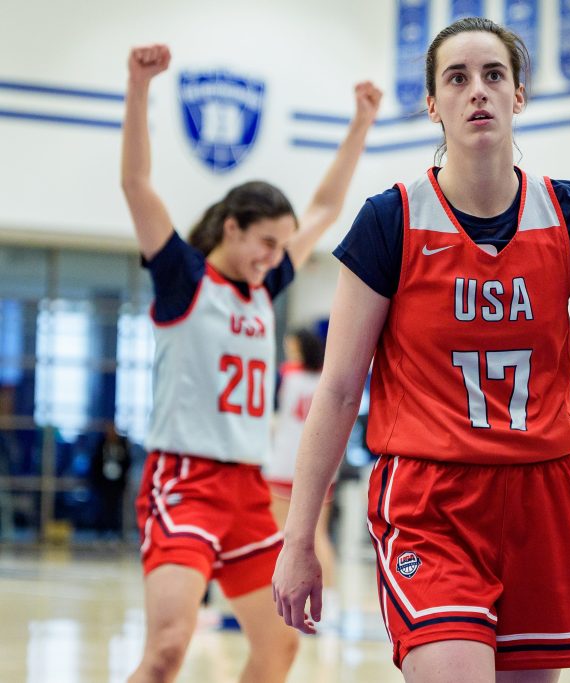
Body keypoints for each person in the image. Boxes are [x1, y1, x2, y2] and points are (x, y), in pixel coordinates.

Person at [272, 16, 570, 683]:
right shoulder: (391, 219)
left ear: (518, 95)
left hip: (542, 495)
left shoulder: (569, 213)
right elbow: (336, 391)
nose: (477, 89)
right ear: (432, 104)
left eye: (493, 75)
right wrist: (299, 536)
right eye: (457, 78)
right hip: (430, 497)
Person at [120, 44, 380, 683]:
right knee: (167, 650)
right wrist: (139, 86)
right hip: (183, 482)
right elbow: (136, 184)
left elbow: (324, 209)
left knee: (280, 647)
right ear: (232, 228)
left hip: (246, 490)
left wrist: (360, 124)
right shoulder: (184, 277)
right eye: (266, 241)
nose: (274, 255)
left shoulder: (264, 287)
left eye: (281, 246)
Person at [264, 329, 339, 619]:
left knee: (280, 534)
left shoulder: (286, 374)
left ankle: (279, 598)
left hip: (285, 463)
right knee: (319, 536)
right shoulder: (328, 376)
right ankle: (329, 603)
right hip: (322, 466)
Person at [89, 421, 132, 538]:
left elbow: (127, 461)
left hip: (117, 482)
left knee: (116, 507)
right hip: (104, 482)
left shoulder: (122, 444)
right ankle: (101, 531)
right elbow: (96, 462)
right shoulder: (101, 444)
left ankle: (117, 530)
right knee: (102, 506)